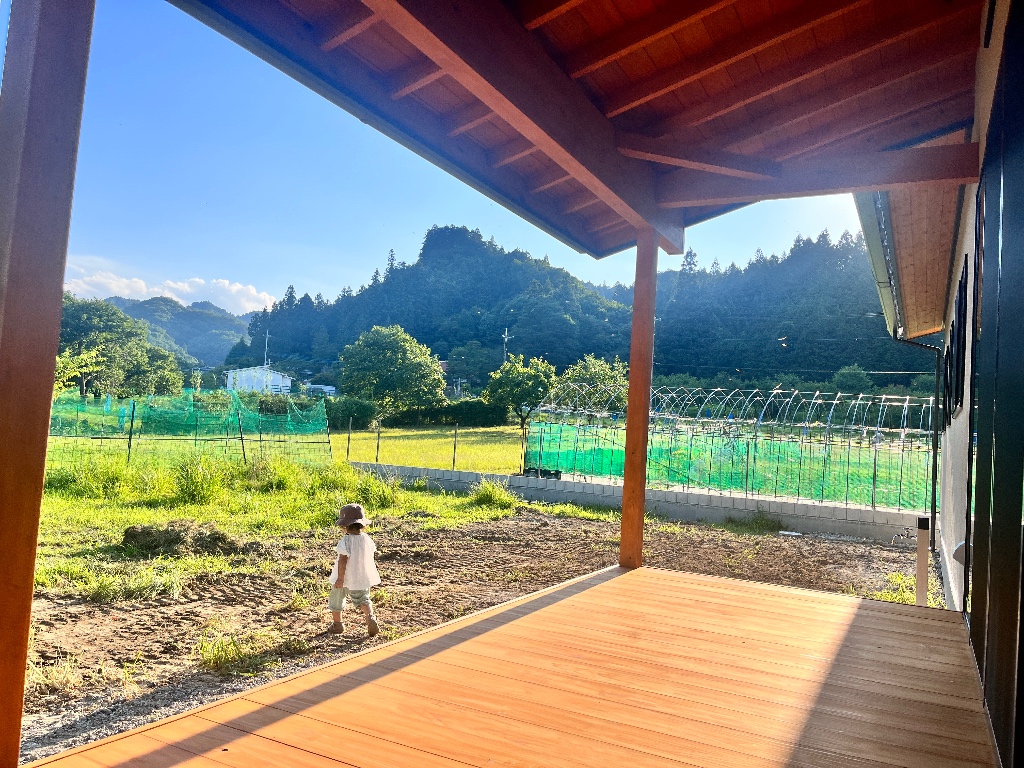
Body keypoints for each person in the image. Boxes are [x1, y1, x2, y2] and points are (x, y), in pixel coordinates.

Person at [328, 503, 381, 637]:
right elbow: (370, 554)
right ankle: (370, 616)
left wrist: (340, 579)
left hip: (344, 577)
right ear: (362, 524)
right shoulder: (366, 539)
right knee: (363, 599)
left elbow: (342, 560)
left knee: (337, 598)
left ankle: (338, 624)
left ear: (344, 526)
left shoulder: (345, 541)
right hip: (361, 576)